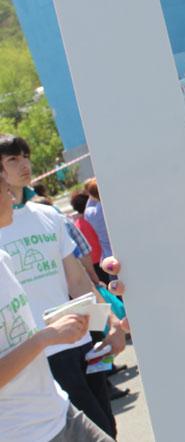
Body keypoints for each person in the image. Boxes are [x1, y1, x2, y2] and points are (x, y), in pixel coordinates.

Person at [0, 136, 126, 438]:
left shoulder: (48, 216)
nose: (24, 164)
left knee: (107, 425)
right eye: (12, 159)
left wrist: (108, 322)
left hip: (78, 340)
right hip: (37, 357)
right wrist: (45, 338)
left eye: (25, 156)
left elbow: (77, 279)